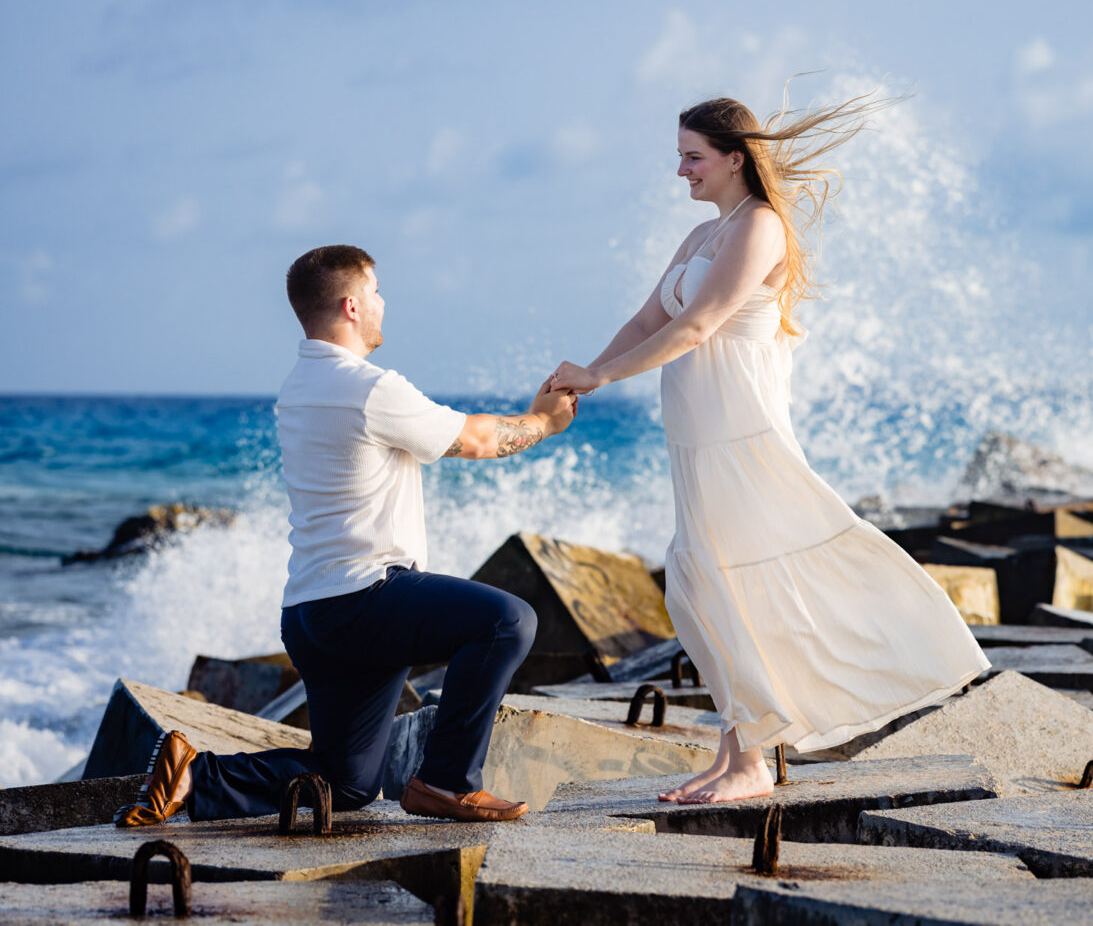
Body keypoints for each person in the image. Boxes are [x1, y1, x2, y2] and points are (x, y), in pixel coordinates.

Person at [550, 95, 989, 804]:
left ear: (734, 158)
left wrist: (600, 374)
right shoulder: (702, 234)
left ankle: (755, 760)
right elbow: (647, 318)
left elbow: (698, 326)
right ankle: (737, 754)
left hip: (740, 430)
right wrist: (585, 379)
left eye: (693, 156)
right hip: (697, 436)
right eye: (680, 154)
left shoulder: (758, 227)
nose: (680, 169)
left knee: (733, 584)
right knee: (703, 589)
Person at [115, 244, 576, 828]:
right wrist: (543, 420)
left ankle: (195, 776)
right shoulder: (367, 387)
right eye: (378, 292)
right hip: (365, 599)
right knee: (506, 621)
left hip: (312, 612)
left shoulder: (301, 385)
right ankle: (445, 782)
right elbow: (477, 441)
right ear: (352, 305)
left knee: (344, 784)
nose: (385, 303)